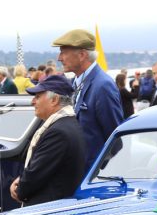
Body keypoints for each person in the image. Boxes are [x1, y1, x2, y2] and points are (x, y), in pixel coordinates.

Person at [9, 74, 85, 206]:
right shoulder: (68, 124)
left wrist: (20, 188)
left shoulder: (58, 132)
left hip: (47, 211)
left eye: (37, 97)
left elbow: (36, 174)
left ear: (54, 100)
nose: (33, 102)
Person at [53, 28, 123, 169]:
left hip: (90, 176)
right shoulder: (75, 82)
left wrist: (97, 173)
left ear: (82, 55)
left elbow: (115, 139)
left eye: (63, 52)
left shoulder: (103, 86)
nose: (59, 58)